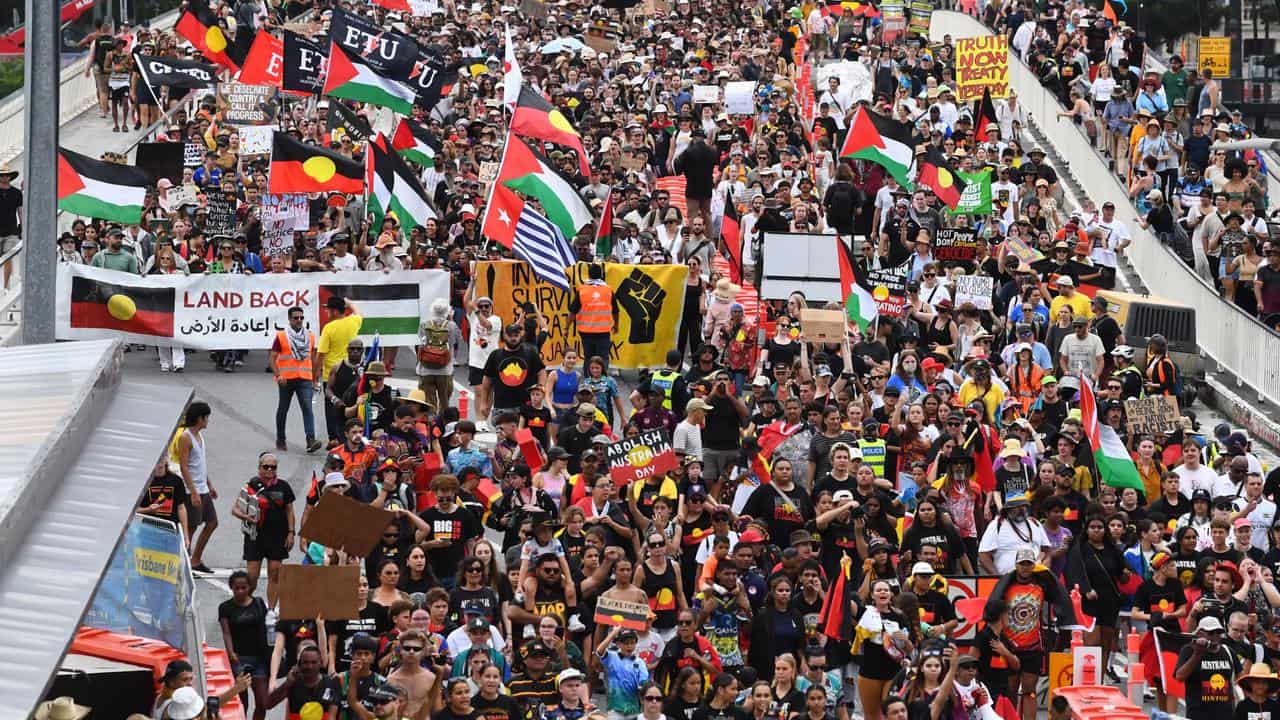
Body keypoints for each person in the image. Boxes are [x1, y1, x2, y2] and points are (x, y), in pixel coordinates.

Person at [230, 452, 295, 607]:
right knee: (252, 576)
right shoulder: (250, 486)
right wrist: (247, 518)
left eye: (273, 467)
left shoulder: (283, 486)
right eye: (266, 467)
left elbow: (290, 511)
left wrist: (291, 533)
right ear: (259, 468)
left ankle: (271, 610)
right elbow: (235, 509)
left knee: (275, 574)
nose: (270, 470)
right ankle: (245, 606)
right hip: (255, 536)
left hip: (278, 537)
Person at [270, 306, 322, 453]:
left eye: (301, 317)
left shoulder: (310, 337)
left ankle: (310, 440)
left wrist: (315, 379)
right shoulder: (281, 336)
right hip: (286, 380)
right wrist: (278, 375)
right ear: (289, 319)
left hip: (305, 379)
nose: (299, 320)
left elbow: (313, 359)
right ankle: (281, 439)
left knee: (307, 407)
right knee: (283, 409)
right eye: (295, 318)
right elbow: (273, 358)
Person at [1176, 616, 1237, 720]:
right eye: (1211, 633)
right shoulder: (1189, 650)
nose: (1215, 636)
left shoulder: (1227, 651)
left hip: (1226, 714)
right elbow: (1180, 677)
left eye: (1218, 632)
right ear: (1200, 633)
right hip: (1198, 714)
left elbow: (1240, 678)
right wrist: (1197, 654)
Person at [570, 263, 615, 370]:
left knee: (588, 357)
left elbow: (572, 311)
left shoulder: (582, 290)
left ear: (589, 275)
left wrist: (566, 327)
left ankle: (587, 381)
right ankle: (602, 381)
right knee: (603, 357)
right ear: (601, 275)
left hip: (586, 332)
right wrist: (616, 325)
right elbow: (616, 310)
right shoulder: (608, 290)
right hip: (603, 332)